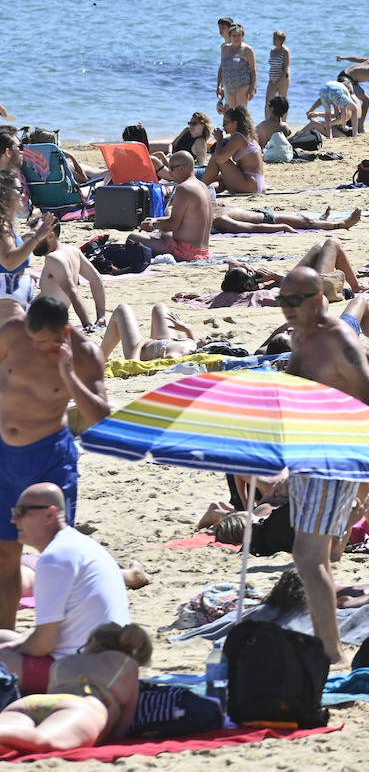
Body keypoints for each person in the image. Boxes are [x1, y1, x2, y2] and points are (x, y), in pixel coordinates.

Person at [278, 258, 369, 666]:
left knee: (307, 557)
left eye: (297, 299)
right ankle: (328, 644)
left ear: (319, 299)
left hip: (334, 453)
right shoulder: (300, 338)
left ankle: (332, 652)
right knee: (315, 558)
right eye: (282, 300)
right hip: (307, 455)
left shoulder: (338, 338)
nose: (288, 307)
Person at [0, 298, 108, 628]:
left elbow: (101, 418)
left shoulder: (84, 354)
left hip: (49, 458)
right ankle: (4, 643)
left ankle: (57, 640)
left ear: (64, 332)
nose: (37, 347)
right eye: (33, 340)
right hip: (5, 456)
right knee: (5, 556)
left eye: (45, 342)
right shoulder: (12, 332)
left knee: (55, 556)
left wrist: (69, 377)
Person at [0, 483, 128, 687]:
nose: (14, 519)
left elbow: (43, 644)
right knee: (4, 636)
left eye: (21, 512)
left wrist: (11, 650)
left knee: (3, 657)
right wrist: (14, 645)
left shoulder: (54, 558)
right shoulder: (77, 544)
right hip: (115, 667)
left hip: (84, 675)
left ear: (50, 514)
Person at [0, 621, 151, 752]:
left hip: (33, 702)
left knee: (9, 734)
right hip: (83, 707)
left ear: (93, 642)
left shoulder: (64, 661)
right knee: (42, 740)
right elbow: (123, 724)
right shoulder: (127, 663)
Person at [127, 152, 212, 260]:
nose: (169, 172)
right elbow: (184, 218)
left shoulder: (183, 188)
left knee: (132, 238)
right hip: (203, 251)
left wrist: (152, 225)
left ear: (182, 168)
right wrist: (155, 220)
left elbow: (173, 224)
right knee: (163, 234)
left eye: (171, 168)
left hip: (186, 252)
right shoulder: (202, 186)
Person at [31, 218, 106, 332]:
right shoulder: (72, 250)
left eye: (36, 234)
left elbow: (72, 292)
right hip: (47, 316)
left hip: (45, 322)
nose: (33, 240)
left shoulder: (54, 258)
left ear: (51, 235)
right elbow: (96, 279)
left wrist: (86, 324)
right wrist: (101, 316)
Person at [0, 170, 54, 314]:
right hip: (7, 299)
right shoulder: (2, 225)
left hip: (11, 294)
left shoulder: (6, 223)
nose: (23, 194)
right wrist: (36, 238)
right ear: (4, 193)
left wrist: (26, 272)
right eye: (19, 189)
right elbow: (9, 262)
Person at [100, 303, 197, 363]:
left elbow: (135, 365)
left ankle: (100, 358)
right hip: (164, 341)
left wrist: (140, 344)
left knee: (122, 309)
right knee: (159, 307)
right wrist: (187, 330)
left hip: (140, 349)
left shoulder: (175, 355)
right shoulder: (194, 347)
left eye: (210, 340)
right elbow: (194, 349)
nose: (209, 337)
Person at [200, 108, 265, 196]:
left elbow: (219, 159)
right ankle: (208, 189)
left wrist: (219, 140)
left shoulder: (237, 137)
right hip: (256, 183)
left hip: (250, 184)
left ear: (235, 123)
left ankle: (199, 188)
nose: (223, 126)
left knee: (216, 158)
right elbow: (242, 166)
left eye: (225, 123)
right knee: (222, 181)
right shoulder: (248, 136)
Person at [212, 202, 362, 236]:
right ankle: (341, 224)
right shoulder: (219, 220)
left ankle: (321, 220)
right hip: (268, 219)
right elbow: (251, 228)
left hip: (260, 212)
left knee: (303, 219)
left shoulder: (211, 209)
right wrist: (282, 227)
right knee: (305, 222)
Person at [217, 24, 256, 110]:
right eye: (234, 36)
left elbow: (253, 70)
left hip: (243, 84)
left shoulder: (247, 50)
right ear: (230, 36)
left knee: (241, 111)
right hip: (228, 85)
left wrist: (253, 87)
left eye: (239, 35)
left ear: (242, 36)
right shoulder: (224, 48)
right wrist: (219, 86)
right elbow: (221, 69)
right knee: (232, 112)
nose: (236, 38)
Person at [265, 30, 290, 112]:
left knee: (282, 102)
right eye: (273, 38)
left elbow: (286, 68)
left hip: (283, 79)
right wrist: (271, 80)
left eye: (275, 38)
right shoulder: (272, 51)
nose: (273, 40)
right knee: (268, 101)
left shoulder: (285, 51)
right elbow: (272, 66)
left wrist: (279, 81)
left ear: (281, 40)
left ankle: (283, 122)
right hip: (272, 79)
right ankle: (268, 122)